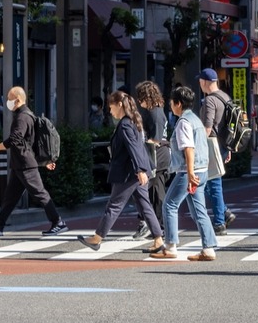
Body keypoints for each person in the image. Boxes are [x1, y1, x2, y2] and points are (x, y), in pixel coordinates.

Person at [78, 91, 164, 253]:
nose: (109, 111)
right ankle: (158, 240)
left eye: (111, 107)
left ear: (119, 105)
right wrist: (142, 169)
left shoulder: (125, 124)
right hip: (135, 171)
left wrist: (140, 169)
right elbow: (137, 147)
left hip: (129, 172)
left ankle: (97, 238)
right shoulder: (133, 121)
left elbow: (134, 147)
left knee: (114, 205)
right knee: (144, 205)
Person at [0, 87, 68, 237]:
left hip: (25, 165)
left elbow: (14, 140)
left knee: (40, 194)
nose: (7, 102)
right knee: (10, 198)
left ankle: (58, 222)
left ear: (18, 100)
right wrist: (43, 162)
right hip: (21, 164)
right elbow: (29, 143)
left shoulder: (22, 117)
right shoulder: (27, 115)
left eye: (10, 99)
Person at [153, 86, 219, 261]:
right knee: (199, 209)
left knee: (169, 204)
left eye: (172, 103)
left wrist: (189, 173)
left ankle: (170, 246)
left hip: (188, 171)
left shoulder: (184, 122)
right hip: (202, 169)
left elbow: (188, 148)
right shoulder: (195, 119)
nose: (170, 106)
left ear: (178, 104)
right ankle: (209, 249)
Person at [197, 68, 236, 235]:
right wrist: (229, 148)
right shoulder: (225, 97)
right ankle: (224, 212)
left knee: (211, 183)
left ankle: (220, 221)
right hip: (223, 145)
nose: (200, 84)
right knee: (210, 182)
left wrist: (196, 145)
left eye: (200, 81)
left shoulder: (210, 101)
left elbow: (207, 127)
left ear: (205, 82)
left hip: (210, 145)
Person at [133, 80, 170, 239]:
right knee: (152, 192)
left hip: (158, 156)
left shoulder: (154, 113)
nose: (139, 101)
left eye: (140, 97)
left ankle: (159, 227)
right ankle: (153, 225)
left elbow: (155, 139)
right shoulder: (156, 111)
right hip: (159, 155)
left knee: (156, 194)